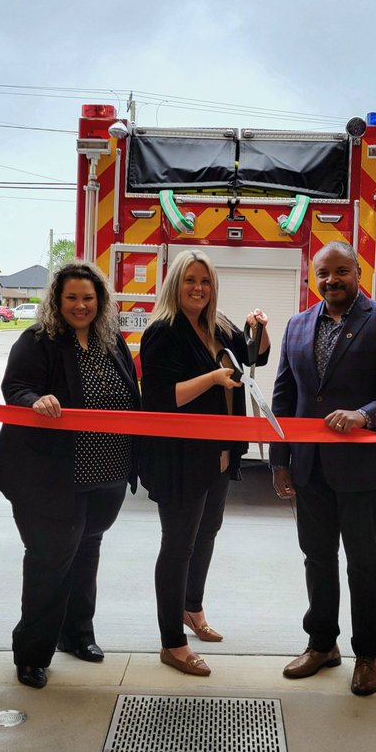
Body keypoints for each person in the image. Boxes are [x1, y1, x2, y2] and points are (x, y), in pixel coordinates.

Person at [271, 241, 376, 697]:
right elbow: (284, 397)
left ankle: (367, 654)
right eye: (322, 274)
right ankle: (322, 645)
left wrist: (365, 413)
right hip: (309, 468)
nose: (331, 281)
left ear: (357, 273)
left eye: (341, 272)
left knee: (362, 562)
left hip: (361, 470)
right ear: (312, 278)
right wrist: (280, 458)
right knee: (316, 559)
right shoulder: (298, 326)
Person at [0, 261, 140, 689]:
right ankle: (32, 654)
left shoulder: (113, 343)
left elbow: (132, 395)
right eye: (72, 298)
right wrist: (36, 400)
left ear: (101, 302)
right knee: (50, 561)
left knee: (86, 553)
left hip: (105, 475)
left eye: (88, 298)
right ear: (57, 300)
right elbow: (15, 387)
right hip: (50, 478)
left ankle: (77, 636)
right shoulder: (38, 340)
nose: (80, 305)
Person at [139, 249, 269, 677]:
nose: (199, 288)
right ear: (176, 283)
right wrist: (213, 378)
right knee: (177, 546)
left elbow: (255, 359)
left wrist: (259, 332)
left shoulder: (221, 326)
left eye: (206, 282)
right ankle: (171, 644)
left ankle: (192, 610)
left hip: (221, 453)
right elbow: (161, 398)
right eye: (191, 280)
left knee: (206, 534)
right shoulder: (163, 332)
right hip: (180, 458)